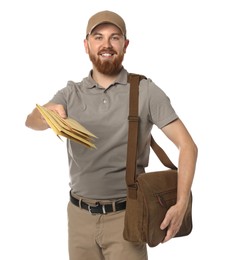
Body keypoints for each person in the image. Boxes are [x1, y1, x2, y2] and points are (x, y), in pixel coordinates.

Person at [25, 10, 198, 260]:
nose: (106, 45)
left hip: (127, 218)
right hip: (78, 218)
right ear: (86, 45)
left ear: (125, 45)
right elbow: (31, 121)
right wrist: (45, 115)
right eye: (98, 37)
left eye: (114, 37)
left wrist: (181, 205)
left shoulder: (146, 91)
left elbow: (188, 146)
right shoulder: (71, 93)